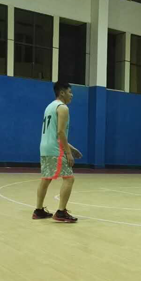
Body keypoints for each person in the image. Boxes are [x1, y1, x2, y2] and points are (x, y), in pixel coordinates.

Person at [33, 81, 80, 223]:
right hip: (55, 149)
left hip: (45, 147)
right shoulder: (63, 108)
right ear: (62, 93)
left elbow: (54, 133)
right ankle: (61, 212)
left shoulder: (49, 107)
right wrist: (68, 153)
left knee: (46, 178)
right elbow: (60, 132)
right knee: (69, 178)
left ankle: (38, 210)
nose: (72, 95)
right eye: (70, 92)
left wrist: (72, 149)